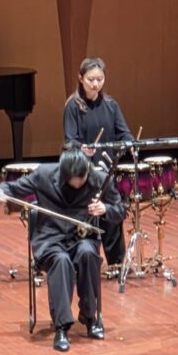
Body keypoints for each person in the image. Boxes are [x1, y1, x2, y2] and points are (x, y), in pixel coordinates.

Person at [0, 142, 125, 352]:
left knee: (88, 254)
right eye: (73, 180)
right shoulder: (44, 174)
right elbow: (13, 188)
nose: (78, 184)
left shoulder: (98, 179)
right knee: (61, 261)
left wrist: (105, 209)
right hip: (50, 239)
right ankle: (62, 326)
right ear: (63, 174)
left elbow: (120, 210)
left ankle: (89, 315)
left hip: (82, 238)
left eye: (82, 179)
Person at [63, 57, 133, 266]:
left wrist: (128, 143)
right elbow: (69, 140)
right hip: (83, 173)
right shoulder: (73, 106)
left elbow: (125, 133)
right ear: (80, 78)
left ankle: (116, 265)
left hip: (107, 172)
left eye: (100, 79)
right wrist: (82, 147)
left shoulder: (111, 105)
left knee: (111, 218)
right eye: (91, 79)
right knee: (87, 219)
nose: (95, 84)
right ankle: (84, 261)